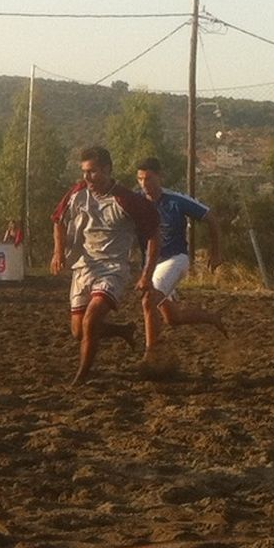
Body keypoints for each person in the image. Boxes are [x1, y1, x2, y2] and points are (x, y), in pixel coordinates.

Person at [51, 145, 160, 386]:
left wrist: (146, 274)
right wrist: (58, 252)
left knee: (91, 320)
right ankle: (123, 331)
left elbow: (153, 234)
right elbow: (58, 219)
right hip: (83, 268)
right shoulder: (77, 192)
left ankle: (81, 377)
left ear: (107, 170)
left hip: (112, 269)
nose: (87, 178)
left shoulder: (126, 200)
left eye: (92, 172)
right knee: (78, 332)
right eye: (84, 172)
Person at [136, 157, 227, 362]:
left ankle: (152, 355)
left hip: (175, 259)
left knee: (149, 300)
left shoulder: (175, 200)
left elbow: (211, 217)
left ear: (160, 177)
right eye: (140, 179)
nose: (144, 184)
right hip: (152, 265)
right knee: (172, 318)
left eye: (149, 178)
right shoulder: (137, 201)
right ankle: (211, 318)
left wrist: (216, 252)